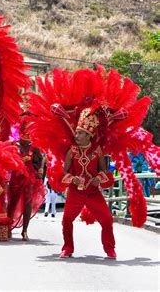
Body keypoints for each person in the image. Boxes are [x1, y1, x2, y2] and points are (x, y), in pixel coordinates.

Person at [59, 108, 115, 259]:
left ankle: (110, 249)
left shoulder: (97, 151)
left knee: (107, 220)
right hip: (75, 192)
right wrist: (73, 179)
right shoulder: (72, 150)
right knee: (66, 219)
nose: (76, 136)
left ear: (88, 135)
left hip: (93, 193)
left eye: (80, 133)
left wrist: (99, 178)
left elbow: (104, 171)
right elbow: (64, 173)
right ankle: (68, 248)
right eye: (76, 133)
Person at [7, 118, 45, 241]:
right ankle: (8, 228)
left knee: (28, 203)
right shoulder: (13, 145)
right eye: (25, 130)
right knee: (12, 202)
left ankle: (25, 231)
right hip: (16, 178)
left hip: (30, 178)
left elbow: (41, 161)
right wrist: (16, 163)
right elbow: (7, 160)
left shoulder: (34, 148)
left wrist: (40, 172)